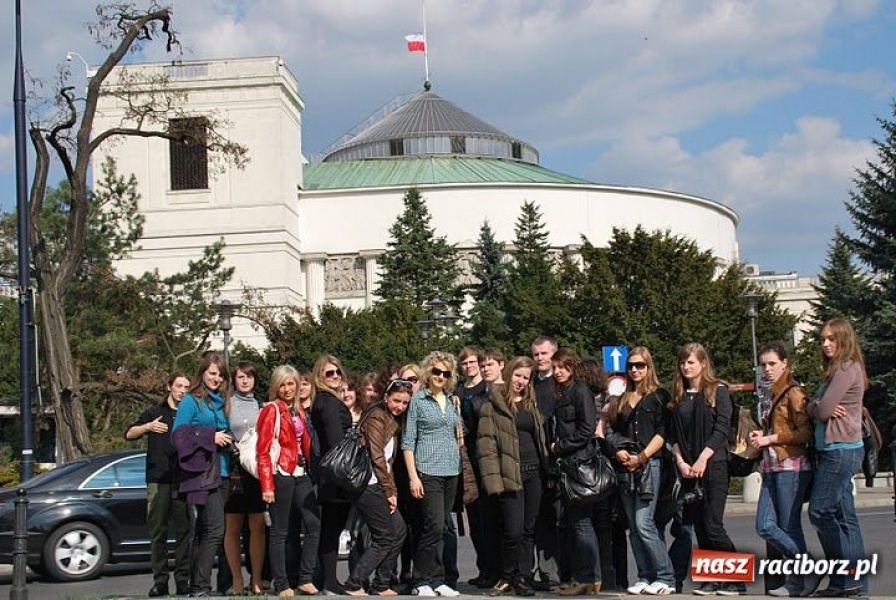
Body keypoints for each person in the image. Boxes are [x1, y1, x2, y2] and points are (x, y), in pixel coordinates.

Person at [668, 343, 745, 596]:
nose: (686, 367)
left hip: (714, 466)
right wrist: (681, 462)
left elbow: (721, 428)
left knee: (713, 525)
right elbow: (673, 434)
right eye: (682, 362)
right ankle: (713, 578)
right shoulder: (679, 396)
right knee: (699, 527)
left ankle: (736, 580)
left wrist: (702, 459)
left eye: (691, 362)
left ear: (703, 363)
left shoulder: (717, 391)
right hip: (689, 469)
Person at [806, 319, 869, 598]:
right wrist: (818, 405)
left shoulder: (845, 369)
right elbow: (819, 406)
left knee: (819, 511)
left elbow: (821, 411)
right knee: (845, 519)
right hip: (843, 449)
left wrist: (817, 406)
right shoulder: (844, 369)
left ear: (844, 339)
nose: (826, 344)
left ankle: (844, 578)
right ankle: (853, 584)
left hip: (839, 450)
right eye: (823, 339)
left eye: (832, 339)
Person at [605, 347, 675, 596]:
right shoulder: (621, 398)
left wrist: (643, 456)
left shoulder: (659, 396)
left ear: (649, 367)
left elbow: (664, 431)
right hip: (625, 466)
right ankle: (645, 576)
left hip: (650, 464)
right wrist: (617, 451)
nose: (635, 370)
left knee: (645, 522)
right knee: (633, 527)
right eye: (631, 366)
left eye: (640, 365)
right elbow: (610, 430)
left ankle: (666, 576)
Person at [477, 356, 549, 597]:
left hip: (534, 473)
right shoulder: (492, 405)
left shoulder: (532, 404)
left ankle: (523, 577)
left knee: (529, 530)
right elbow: (486, 447)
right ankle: (506, 576)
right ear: (509, 374)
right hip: (510, 474)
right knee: (513, 530)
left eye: (526, 378)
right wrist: (493, 481)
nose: (521, 381)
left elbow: (540, 438)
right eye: (518, 375)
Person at [746, 343, 813, 597]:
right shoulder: (771, 394)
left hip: (792, 467)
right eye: (763, 364)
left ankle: (799, 580)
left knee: (789, 526)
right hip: (773, 468)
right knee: (764, 525)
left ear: (785, 364)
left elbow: (804, 433)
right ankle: (807, 569)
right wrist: (761, 435)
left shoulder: (794, 393)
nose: (767, 369)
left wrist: (770, 438)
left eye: (772, 363)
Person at [171, 352, 234, 598]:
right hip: (203, 475)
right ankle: (201, 587)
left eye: (220, 374)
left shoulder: (221, 401)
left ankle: (194, 585)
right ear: (202, 374)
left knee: (205, 531)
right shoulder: (191, 401)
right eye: (212, 373)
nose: (216, 378)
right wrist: (211, 437)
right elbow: (178, 436)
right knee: (216, 529)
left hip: (224, 472)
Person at [343, 378, 413, 597]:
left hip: (377, 484)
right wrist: (389, 491)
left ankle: (381, 584)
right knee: (384, 537)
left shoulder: (390, 419)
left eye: (404, 403)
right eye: (396, 400)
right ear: (386, 398)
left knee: (399, 530)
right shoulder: (376, 417)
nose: (399, 406)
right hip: (368, 484)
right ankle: (354, 583)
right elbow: (377, 457)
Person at [125, 372, 193, 598]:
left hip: (184, 480)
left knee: (185, 532)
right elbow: (129, 433)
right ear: (169, 387)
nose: (182, 390)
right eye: (179, 386)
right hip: (158, 480)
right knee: (158, 533)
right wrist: (147, 427)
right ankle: (160, 581)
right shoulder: (155, 413)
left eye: (186, 387)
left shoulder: (190, 414)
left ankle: (183, 580)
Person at [401, 351, 462, 598]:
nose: (440, 376)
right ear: (428, 372)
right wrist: (413, 476)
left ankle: (437, 580)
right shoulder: (418, 400)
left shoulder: (451, 400)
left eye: (446, 373)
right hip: (428, 470)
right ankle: (421, 579)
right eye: (436, 371)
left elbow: (456, 435)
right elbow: (408, 441)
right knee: (433, 526)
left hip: (452, 470)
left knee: (443, 527)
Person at [258, 365, 321, 597]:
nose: (286, 388)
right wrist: (267, 485)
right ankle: (282, 583)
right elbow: (262, 450)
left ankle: (305, 578)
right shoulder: (271, 410)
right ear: (276, 386)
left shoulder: (297, 411)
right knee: (280, 531)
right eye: (282, 384)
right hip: (281, 473)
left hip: (300, 472)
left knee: (313, 523)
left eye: (291, 383)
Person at [550, 348, 601, 596]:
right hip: (567, 465)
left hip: (580, 464)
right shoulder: (561, 392)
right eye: (555, 367)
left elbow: (587, 428)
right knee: (574, 523)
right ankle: (583, 577)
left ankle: (587, 578)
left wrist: (559, 446)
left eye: (563, 367)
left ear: (572, 367)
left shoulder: (580, 390)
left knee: (581, 523)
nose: (558, 372)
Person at [310, 354, 355, 595]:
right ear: (320, 376)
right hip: (336, 473)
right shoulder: (328, 403)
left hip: (330, 472)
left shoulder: (325, 401)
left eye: (337, 371)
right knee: (332, 528)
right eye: (329, 373)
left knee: (331, 528)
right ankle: (329, 581)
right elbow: (336, 440)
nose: (335, 376)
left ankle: (325, 579)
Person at [222, 361, 266, 595]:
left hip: (256, 469)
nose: (245, 380)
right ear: (234, 380)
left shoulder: (261, 405)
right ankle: (237, 580)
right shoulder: (227, 403)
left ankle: (257, 580)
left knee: (257, 525)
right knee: (233, 526)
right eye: (240, 377)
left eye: (249, 377)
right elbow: (222, 429)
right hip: (234, 467)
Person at [530, 336, 564, 590]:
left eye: (545, 354)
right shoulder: (530, 382)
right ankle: (545, 574)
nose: (540, 358)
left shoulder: (561, 382)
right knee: (541, 520)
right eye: (536, 354)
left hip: (560, 458)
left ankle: (563, 572)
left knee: (562, 520)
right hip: (536, 459)